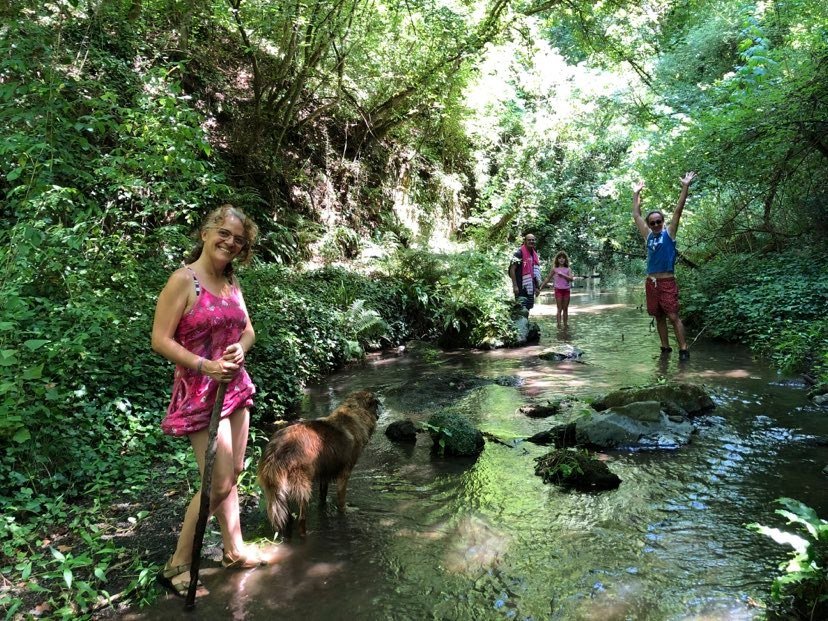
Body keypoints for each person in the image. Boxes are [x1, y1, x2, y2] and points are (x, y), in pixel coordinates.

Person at [151, 204, 267, 597]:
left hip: (234, 388)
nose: (230, 242)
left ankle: (234, 550)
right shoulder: (183, 280)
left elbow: (248, 330)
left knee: (232, 473)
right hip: (200, 393)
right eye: (224, 233)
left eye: (239, 240)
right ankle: (177, 564)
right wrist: (205, 365)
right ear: (205, 233)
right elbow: (160, 340)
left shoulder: (231, 281)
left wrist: (240, 348)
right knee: (216, 483)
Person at [632, 172, 697, 361]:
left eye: (658, 221)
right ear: (649, 224)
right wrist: (636, 194)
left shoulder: (669, 233)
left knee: (673, 316)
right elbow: (636, 215)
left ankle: (683, 349)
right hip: (651, 282)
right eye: (652, 222)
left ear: (663, 222)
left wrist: (685, 186)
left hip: (667, 281)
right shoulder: (648, 236)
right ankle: (665, 348)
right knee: (658, 316)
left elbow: (678, 210)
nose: (655, 224)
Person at [540, 250, 575, 328]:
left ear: (565, 259)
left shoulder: (568, 269)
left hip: (566, 290)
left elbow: (571, 279)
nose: (561, 259)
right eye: (559, 258)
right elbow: (548, 278)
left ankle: (565, 325)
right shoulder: (554, 269)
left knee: (565, 309)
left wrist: (563, 275)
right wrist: (541, 287)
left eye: (563, 258)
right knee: (559, 309)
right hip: (558, 290)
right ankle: (559, 325)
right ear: (557, 259)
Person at [509, 232, 542, 312]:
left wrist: (537, 287)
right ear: (525, 241)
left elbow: (534, 273)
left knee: (528, 307)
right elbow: (512, 269)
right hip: (520, 287)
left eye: (533, 240)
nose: (531, 241)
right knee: (521, 309)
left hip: (530, 287)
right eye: (529, 240)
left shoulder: (534, 254)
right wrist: (515, 286)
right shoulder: (518, 253)